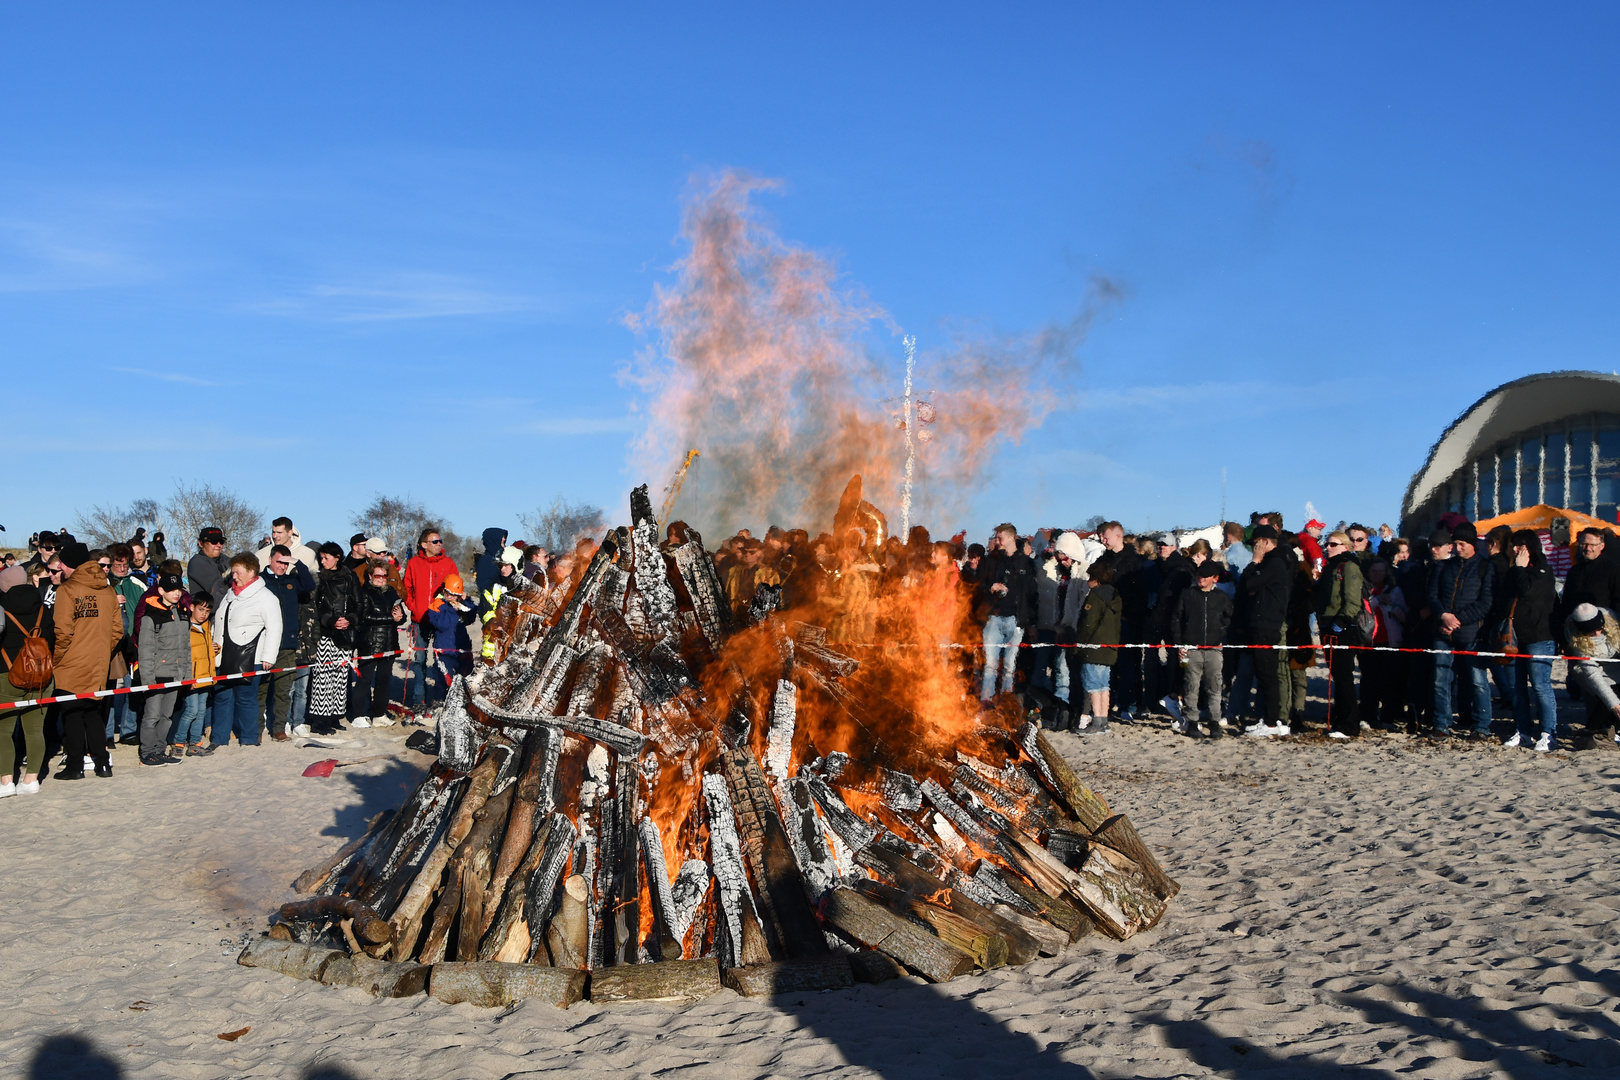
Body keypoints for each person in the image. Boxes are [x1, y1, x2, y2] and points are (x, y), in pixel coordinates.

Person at [50, 544, 123, 779]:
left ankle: (74, 766)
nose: (58, 567)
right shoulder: (107, 588)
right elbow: (117, 630)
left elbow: (62, 631)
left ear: (68, 564)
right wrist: (101, 651)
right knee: (93, 713)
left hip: (71, 660)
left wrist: (57, 659)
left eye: (61, 563)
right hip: (98, 661)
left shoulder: (67, 590)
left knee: (71, 714)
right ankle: (102, 764)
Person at [1427, 522, 1494, 739]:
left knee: (1477, 680)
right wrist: (1443, 616)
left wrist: (1459, 620)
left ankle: (1481, 726)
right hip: (1443, 631)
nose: (1457, 548)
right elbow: (1433, 596)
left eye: (1461, 544)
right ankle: (1441, 724)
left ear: (1472, 544)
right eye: (1455, 543)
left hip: (1472, 633)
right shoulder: (1445, 566)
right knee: (1440, 679)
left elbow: (1485, 603)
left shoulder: (1485, 567)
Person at [209, 553, 283, 748]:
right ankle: (219, 738)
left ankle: (249, 739)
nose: (234, 576)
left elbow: (275, 628)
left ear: (251, 572)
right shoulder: (229, 594)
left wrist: (268, 657)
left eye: (238, 572)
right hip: (223, 656)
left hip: (251, 657)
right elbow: (220, 621)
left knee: (246, 699)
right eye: (233, 572)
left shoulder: (266, 597)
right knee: (222, 697)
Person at [1501, 529, 1559, 752]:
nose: (1516, 550)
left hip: (1539, 637)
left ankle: (1549, 733)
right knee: (1516, 688)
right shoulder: (1513, 570)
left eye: (1521, 545)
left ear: (1531, 547)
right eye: (1514, 545)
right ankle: (1523, 731)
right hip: (1513, 637)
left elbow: (1527, 590)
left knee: (1541, 686)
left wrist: (1520, 568)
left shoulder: (1544, 570)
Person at [0, 564, 54, 796]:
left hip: (7, 674)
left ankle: (6, 782)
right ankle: (31, 780)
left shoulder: (2, 608)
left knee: (3, 732)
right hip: (42, 676)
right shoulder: (44, 608)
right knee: (35, 731)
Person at [1235, 525, 1292, 738]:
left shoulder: (1274, 562)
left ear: (1266, 542)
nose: (1254, 548)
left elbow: (1248, 582)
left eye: (1256, 543)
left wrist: (1255, 561)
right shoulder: (1272, 562)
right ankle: (1270, 719)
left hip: (1267, 623)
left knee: (1268, 674)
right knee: (1264, 673)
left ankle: (1272, 721)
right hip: (1261, 622)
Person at [258, 545, 316, 741]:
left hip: (288, 644)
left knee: (284, 691)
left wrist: (298, 564)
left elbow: (309, 585)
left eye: (285, 563)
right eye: (279, 562)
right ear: (270, 560)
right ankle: (256, 730)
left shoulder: (292, 580)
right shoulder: (260, 580)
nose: (282, 566)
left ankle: (279, 729)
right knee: (261, 689)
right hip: (264, 644)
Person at [1169, 559, 1232, 737]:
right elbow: (1176, 619)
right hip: (1192, 648)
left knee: (1214, 687)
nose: (1201, 579)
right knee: (1191, 686)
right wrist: (1180, 644)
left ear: (1215, 578)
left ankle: (1214, 722)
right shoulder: (1187, 595)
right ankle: (1192, 722)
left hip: (1214, 649)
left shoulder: (1221, 598)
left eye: (1205, 576)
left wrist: (1220, 634)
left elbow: (1229, 619)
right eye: (1199, 575)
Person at [134, 572, 190, 766]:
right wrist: (148, 679)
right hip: (156, 675)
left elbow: (186, 647)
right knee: (152, 716)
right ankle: (147, 752)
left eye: (178, 590)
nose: (176, 593)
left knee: (166, 717)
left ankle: (160, 750)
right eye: (171, 590)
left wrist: (187, 674)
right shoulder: (151, 616)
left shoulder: (182, 614)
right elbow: (146, 650)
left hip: (175, 674)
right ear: (160, 591)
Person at [975, 523, 1035, 702]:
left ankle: (1006, 702)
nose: (997, 541)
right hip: (994, 618)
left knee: (1010, 666)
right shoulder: (992, 561)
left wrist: (1030, 622)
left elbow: (1032, 594)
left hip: (1016, 620)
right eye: (996, 538)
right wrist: (991, 587)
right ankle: (986, 701)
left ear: (1011, 538)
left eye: (1000, 538)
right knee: (990, 665)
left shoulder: (1027, 563)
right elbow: (979, 585)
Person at [1315, 531, 1366, 740]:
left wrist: (1341, 622)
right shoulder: (1330, 567)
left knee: (1345, 676)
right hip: (1327, 625)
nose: (1328, 547)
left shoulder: (1349, 566)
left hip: (1342, 628)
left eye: (1333, 544)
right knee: (1337, 674)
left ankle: (1349, 724)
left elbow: (1353, 600)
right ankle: (1340, 718)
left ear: (1344, 546)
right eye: (1327, 544)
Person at [402, 527, 458, 714]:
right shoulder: (414, 563)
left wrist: (447, 608)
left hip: (441, 620)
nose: (439, 544)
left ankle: (439, 698)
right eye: (435, 541)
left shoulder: (448, 563)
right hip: (420, 620)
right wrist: (413, 607)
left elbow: (455, 589)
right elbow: (406, 589)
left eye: (440, 541)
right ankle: (419, 699)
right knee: (419, 660)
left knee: (441, 659)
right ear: (424, 545)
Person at [308, 541, 362, 733]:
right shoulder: (318, 578)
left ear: (337, 557)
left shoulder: (350, 576)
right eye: (321, 558)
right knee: (323, 678)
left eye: (326, 557)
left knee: (340, 677)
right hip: (326, 633)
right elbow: (315, 607)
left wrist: (350, 619)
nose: (323, 561)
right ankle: (319, 720)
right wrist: (331, 621)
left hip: (346, 633)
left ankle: (334, 717)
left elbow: (358, 601)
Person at [354, 558, 406, 728]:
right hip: (370, 642)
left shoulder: (391, 591)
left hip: (389, 643)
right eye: (378, 576)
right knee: (364, 680)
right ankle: (359, 714)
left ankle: (379, 714)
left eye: (384, 576)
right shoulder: (363, 592)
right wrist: (390, 618)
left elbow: (400, 616)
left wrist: (400, 617)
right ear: (370, 575)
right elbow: (365, 617)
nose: (381, 579)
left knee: (383, 680)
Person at [1357, 559, 1408, 731]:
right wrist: (1377, 600)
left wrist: (1391, 605)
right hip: (1369, 642)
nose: (1378, 574)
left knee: (1389, 683)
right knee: (1368, 682)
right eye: (1374, 571)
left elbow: (1405, 615)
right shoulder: (1363, 590)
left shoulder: (1395, 591)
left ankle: (1387, 717)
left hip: (1390, 641)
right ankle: (1367, 716)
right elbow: (1361, 611)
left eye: (1381, 571)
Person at [105, 543, 147, 747]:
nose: (121, 568)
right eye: (117, 564)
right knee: (109, 688)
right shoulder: (104, 583)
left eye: (125, 564)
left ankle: (128, 731)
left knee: (133, 687)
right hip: (110, 644)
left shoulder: (137, 583)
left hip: (133, 643)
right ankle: (106, 732)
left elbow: (146, 610)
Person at [1074, 562, 1122, 734]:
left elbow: (1088, 624)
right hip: (1109, 647)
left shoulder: (1095, 596)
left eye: (1090, 578)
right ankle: (1103, 720)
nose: (1088, 581)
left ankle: (1097, 722)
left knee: (1093, 685)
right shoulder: (1116, 597)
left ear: (1097, 579)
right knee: (1103, 685)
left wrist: (1079, 644)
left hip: (1093, 647)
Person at [1564, 603, 1620, 751]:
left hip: (1616, 665)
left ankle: (1607, 730)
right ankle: (1589, 733)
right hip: (1590, 672)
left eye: (1600, 629)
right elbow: (1592, 673)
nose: (1597, 634)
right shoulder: (1575, 637)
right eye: (1591, 632)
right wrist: (1615, 705)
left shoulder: (1613, 618)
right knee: (1610, 696)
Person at [171, 592, 217, 755]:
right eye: (200, 609)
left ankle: (195, 743)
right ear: (191, 607)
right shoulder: (185, 628)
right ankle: (178, 741)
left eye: (207, 611)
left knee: (201, 711)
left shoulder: (206, 627)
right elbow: (183, 655)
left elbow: (205, 652)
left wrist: (215, 650)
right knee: (191, 710)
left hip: (206, 676)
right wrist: (187, 678)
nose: (203, 614)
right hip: (192, 678)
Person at [424, 574, 476, 702]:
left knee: (465, 679)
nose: (451, 597)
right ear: (444, 591)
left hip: (461, 648)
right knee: (443, 678)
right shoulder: (436, 605)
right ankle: (440, 702)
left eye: (455, 595)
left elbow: (471, 617)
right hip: (444, 650)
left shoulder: (461, 605)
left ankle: (462, 703)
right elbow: (442, 625)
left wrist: (467, 601)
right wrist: (454, 611)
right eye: (449, 594)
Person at [255, 517, 320, 577]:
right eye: (273, 532)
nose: (275, 536)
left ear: (290, 533)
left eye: (279, 532)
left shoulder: (309, 554)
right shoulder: (260, 555)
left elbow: (314, 582)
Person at [188, 527, 231, 606]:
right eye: (214, 542)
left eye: (221, 542)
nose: (218, 545)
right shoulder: (197, 562)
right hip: (207, 612)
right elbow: (218, 589)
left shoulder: (226, 560)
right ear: (201, 543)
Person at [474, 527, 510, 620]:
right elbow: (484, 585)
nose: (504, 539)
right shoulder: (486, 561)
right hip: (491, 607)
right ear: (493, 540)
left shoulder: (504, 558)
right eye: (501, 537)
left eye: (504, 537)